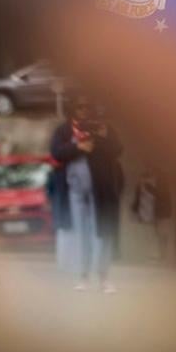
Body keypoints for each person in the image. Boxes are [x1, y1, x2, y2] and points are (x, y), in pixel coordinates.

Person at [50, 95, 123, 293]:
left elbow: (117, 150)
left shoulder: (103, 127)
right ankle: (83, 277)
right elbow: (56, 152)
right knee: (79, 235)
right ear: (72, 109)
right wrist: (78, 147)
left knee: (101, 234)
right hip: (73, 191)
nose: (84, 111)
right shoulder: (64, 130)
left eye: (87, 107)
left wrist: (103, 135)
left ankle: (104, 278)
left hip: (101, 192)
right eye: (80, 107)